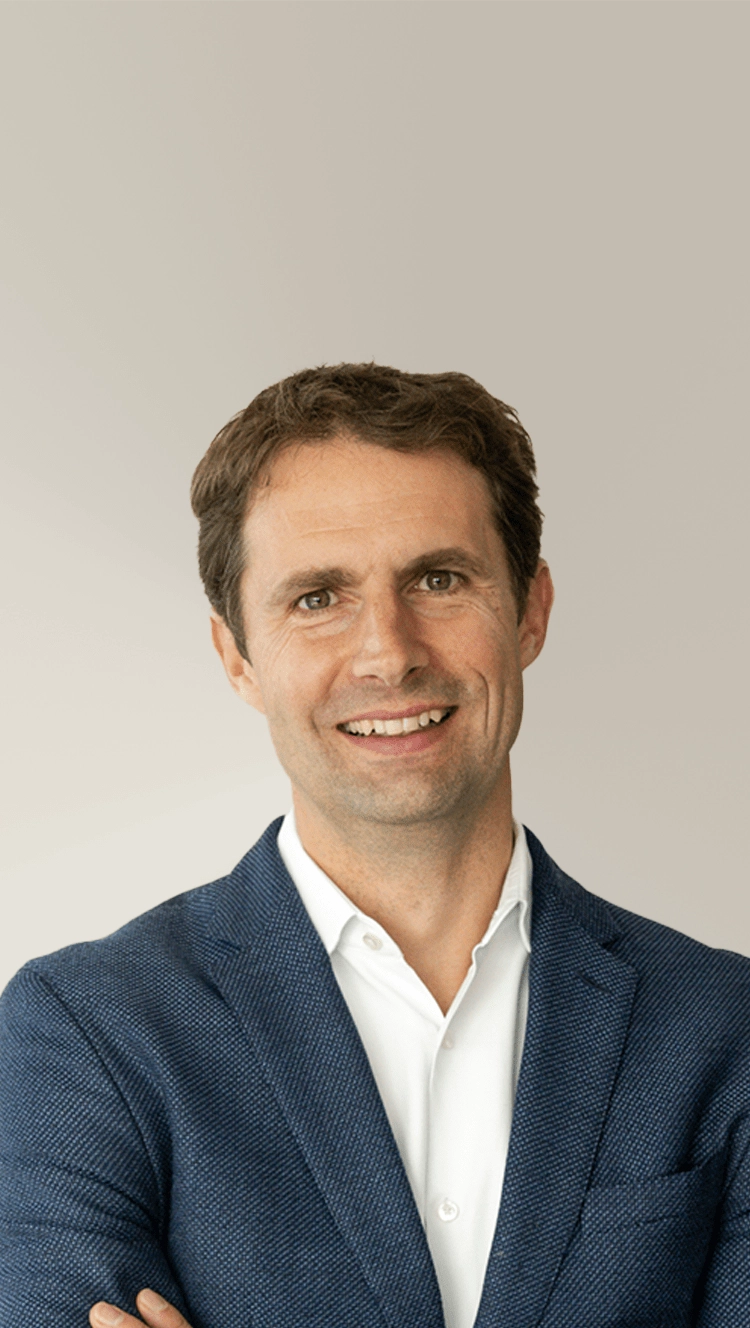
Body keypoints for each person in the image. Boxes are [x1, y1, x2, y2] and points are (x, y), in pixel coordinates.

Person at [1, 364, 748, 1328]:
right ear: (237, 656)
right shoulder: (87, 1034)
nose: (390, 652)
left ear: (530, 611)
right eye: (318, 597)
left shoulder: (722, 1028)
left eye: (439, 580)